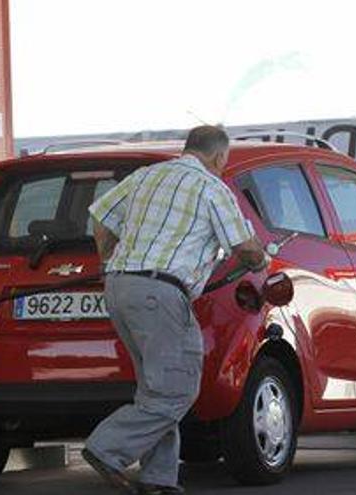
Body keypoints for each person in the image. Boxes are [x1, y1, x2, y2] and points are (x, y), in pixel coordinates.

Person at [82, 125, 270, 495]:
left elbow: (101, 221)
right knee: (178, 389)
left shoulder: (146, 176)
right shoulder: (212, 188)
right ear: (218, 158)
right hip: (161, 293)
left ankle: (159, 478)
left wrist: (109, 262)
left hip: (119, 287)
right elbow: (246, 250)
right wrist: (262, 258)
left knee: (155, 389)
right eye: (223, 162)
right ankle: (107, 448)